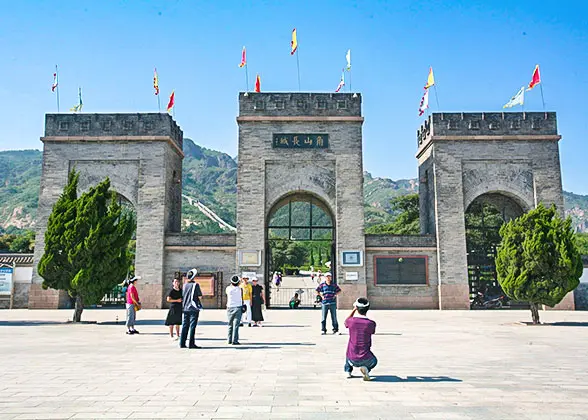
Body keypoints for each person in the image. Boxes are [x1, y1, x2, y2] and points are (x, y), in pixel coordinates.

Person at [344, 297, 377, 381]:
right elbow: (372, 332)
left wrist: (353, 309)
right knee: (374, 361)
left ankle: (348, 371)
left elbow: (346, 322)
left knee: (349, 349)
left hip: (352, 358)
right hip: (366, 358)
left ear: (357, 308)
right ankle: (366, 369)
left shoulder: (351, 321)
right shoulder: (371, 323)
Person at [180, 268, 203, 349]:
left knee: (185, 325)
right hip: (193, 308)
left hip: (185, 307)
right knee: (192, 326)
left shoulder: (184, 285)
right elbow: (199, 296)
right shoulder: (195, 285)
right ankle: (191, 343)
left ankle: (182, 343)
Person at [226, 275, 244, 345]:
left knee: (230, 324)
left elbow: (231, 286)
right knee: (236, 325)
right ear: (238, 282)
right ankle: (235, 340)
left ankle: (229, 340)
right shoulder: (240, 289)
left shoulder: (228, 289)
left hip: (230, 307)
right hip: (238, 308)